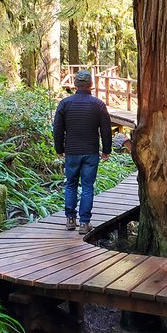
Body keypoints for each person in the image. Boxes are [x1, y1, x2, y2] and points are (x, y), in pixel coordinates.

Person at [53, 70, 112, 233]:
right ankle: (84, 223)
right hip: (90, 152)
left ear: (75, 85)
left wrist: (59, 148)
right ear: (91, 85)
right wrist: (106, 150)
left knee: (70, 184)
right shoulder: (98, 104)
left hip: (71, 152)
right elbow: (106, 129)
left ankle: (70, 220)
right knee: (87, 186)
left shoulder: (65, 103)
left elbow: (58, 128)